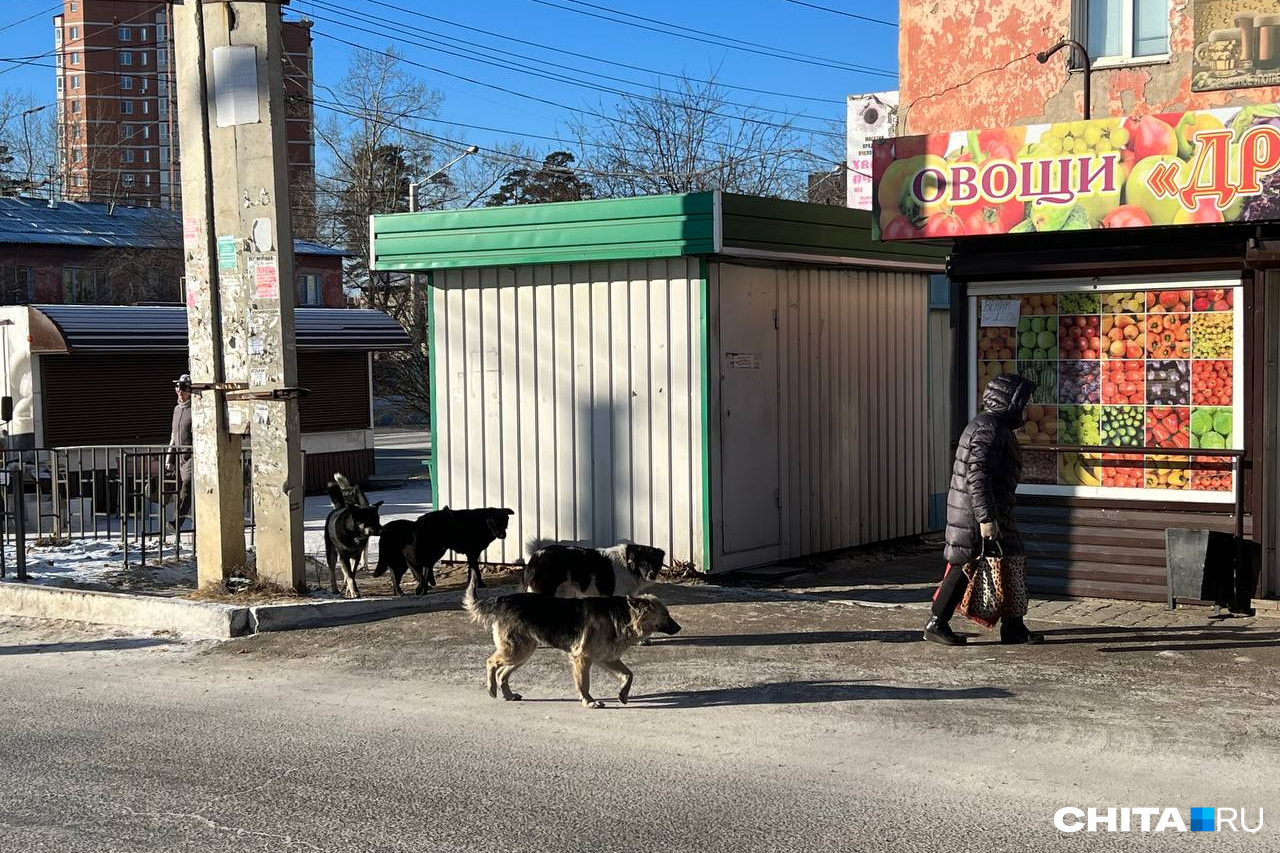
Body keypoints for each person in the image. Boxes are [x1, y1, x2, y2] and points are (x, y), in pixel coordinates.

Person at [925, 373, 1045, 647]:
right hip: (977, 513)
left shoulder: (995, 426)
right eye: (1025, 401)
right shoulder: (989, 428)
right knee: (965, 565)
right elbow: (977, 475)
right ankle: (936, 623)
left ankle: (1014, 626)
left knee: (1011, 560)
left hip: (993, 510)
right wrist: (986, 518)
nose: (1028, 407)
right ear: (1011, 401)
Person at [166, 373, 194, 532]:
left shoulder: (195, 409)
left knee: (187, 489)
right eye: (178, 389)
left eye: (183, 390)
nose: (180, 393)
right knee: (175, 490)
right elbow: (173, 436)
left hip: (191, 457)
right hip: (179, 458)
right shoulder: (177, 409)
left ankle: (177, 522)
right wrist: (169, 458)